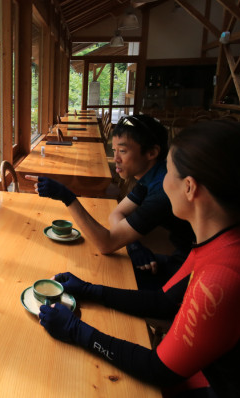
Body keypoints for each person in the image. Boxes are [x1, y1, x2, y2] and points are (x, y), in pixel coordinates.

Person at [38, 120, 240, 398]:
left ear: (190, 187)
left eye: (167, 172)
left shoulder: (227, 274)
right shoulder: (224, 239)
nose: (162, 181)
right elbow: (166, 302)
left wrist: (77, 331)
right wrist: (88, 290)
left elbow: (159, 370)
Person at [27, 114, 195, 289]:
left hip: (190, 275)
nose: (115, 159)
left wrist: (67, 196)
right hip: (183, 259)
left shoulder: (163, 189)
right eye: (114, 151)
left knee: (95, 273)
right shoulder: (150, 177)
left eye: (122, 151)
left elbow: (106, 244)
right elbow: (117, 213)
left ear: (152, 152)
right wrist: (133, 244)